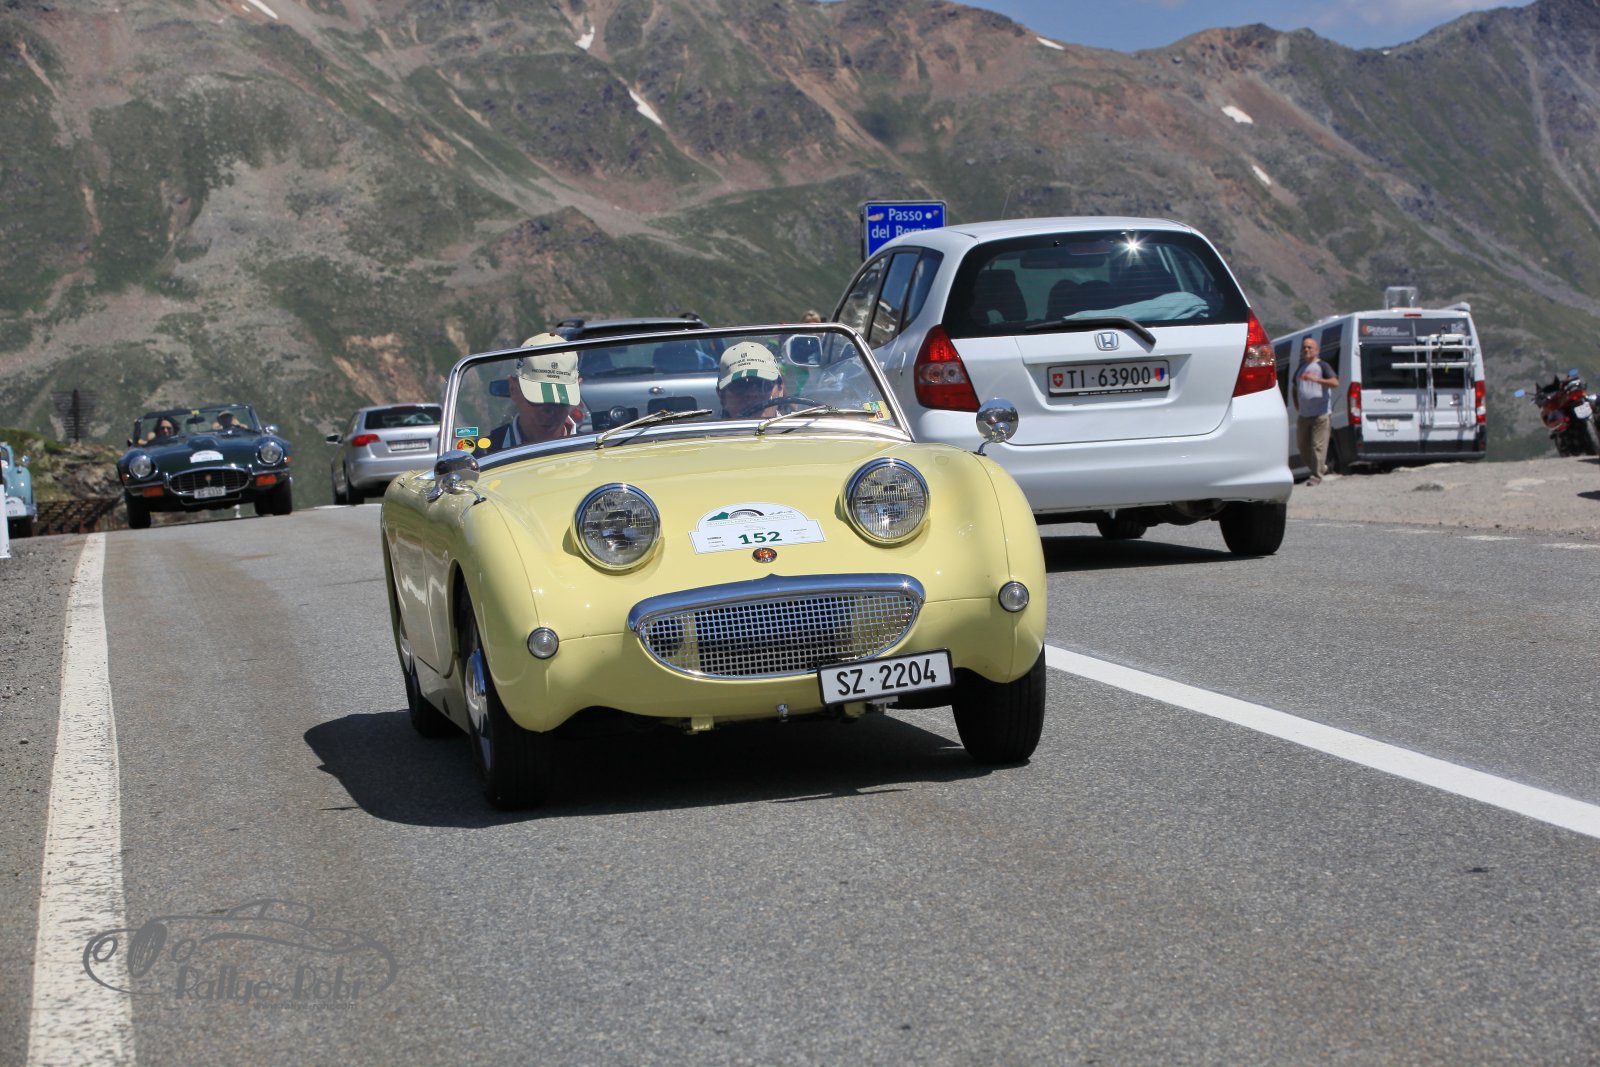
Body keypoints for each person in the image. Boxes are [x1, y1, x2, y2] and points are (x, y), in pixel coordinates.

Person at [484, 334, 583, 453]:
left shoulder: (593, 450)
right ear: (513, 389)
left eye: (561, 399)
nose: (550, 411)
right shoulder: (482, 455)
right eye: (538, 399)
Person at [1295, 336, 1339, 485]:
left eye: (1309, 347)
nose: (1306, 350)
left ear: (1317, 350)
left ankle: (1316, 475)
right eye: (1304, 347)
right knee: (1302, 446)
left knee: (1317, 445)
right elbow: (1294, 387)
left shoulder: (1322, 366)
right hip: (1304, 414)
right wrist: (1297, 403)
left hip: (1321, 413)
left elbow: (1335, 382)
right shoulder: (1300, 368)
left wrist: (1316, 380)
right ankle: (1321, 467)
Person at [717, 342, 787, 419]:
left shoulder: (796, 425)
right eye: (740, 385)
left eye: (762, 384)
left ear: (780, 389)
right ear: (722, 396)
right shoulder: (708, 426)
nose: (752, 394)